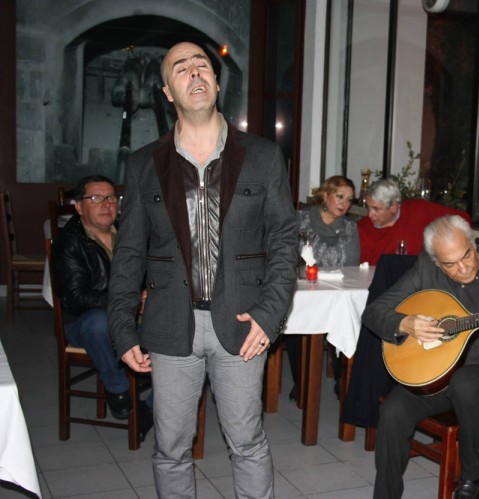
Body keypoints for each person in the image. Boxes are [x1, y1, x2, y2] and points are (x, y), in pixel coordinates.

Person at [108, 41, 298, 498]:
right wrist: (121, 327)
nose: (195, 73)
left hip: (242, 322)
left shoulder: (262, 156)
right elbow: (129, 252)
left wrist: (270, 316)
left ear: (215, 81)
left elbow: (284, 242)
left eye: (202, 66)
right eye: (181, 68)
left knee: (247, 442)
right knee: (171, 447)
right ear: (167, 92)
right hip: (170, 325)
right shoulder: (143, 166)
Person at [363, 215, 479, 499]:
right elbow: (374, 312)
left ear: (473, 243)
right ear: (436, 262)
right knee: (392, 411)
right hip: (439, 374)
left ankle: (471, 481)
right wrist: (405, 324)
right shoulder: (426, 270)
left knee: (467, 382)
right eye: (450, 265)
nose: (463, 267)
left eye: (466, 256)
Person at [51, 175, 135, 420]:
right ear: (79, 207)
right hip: (85, 322)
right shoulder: (69, 243)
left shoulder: (131, 234)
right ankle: (117, 387)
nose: (106, 203)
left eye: (110, 197)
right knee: (98, 322)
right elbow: (76, 298)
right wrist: (125, 299)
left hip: (131, 316)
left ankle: (151, 408)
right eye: (96, 198)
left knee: (182, 323)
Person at [288, 175, 360, 401]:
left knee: (346, 317)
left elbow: (352, 267)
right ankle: (301, 382)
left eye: (349, 200)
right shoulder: (300, 219)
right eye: (340, 197)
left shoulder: (350, 227)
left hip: (334, 293)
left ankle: (343, 381)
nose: (344, 204)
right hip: (302, 289)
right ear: (325, 195)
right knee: (292, 321)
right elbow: (287, 254)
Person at [358, 178, 472, 265]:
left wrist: (437, 243)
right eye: (368, 207)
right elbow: (365, 269)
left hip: (420, 279)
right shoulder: (363, 228)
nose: (370, 214)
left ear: (393, 207)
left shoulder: (418, 209)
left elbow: (463, 218)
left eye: (376, 209)